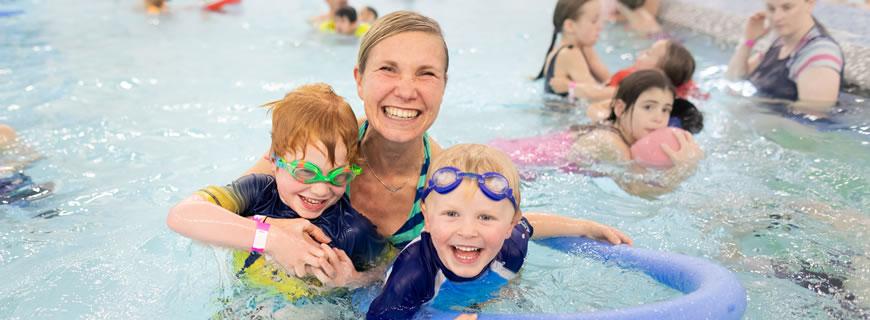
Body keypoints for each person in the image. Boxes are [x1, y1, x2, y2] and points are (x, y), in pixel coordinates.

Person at [243, 11, 632, 280]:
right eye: (388, 69)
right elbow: (212, 212)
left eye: (426, 74)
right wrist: (271, 236)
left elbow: (503, 222)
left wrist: (581, 226)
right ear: (359, 80)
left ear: (444, 86)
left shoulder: (448, 177)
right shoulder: (318, 147)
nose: (407, 90)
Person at [166, 84, 386, 300]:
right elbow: (182, 215)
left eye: (338, 176)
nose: (321, 190)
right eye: (306, 173)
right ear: (274, 161)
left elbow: (386, 272)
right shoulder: (257, 191)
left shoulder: (351, 232)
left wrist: (353, 280)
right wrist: (272, 238)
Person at [367, 144, 633, 319]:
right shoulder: (413, 274)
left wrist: (584, 228)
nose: (468, 231)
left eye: (485, 217)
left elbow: (533, 225)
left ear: (509, 225)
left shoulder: (512, 244)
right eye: (451, 214)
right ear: (426, 217)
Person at [492, 70, 704, 198]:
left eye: (666, 109)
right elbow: (638, 190)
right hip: (512, 167)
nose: (659, 118)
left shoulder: (609, 122)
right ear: (620, 109)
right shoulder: (610, 142)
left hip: (516, 153)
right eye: (649, 107)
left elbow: (603, 107)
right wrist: (683, 170)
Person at [726, 0, 844, 115]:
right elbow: (734, 77)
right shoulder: (780, 41)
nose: (777, 17)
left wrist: (748, 114)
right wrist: (748, 41)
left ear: (810, 3)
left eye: (787, 7)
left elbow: (812, 125)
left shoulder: (819, 54)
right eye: (771, 9)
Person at [584, 39, 704, 122]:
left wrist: (572, 86)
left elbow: (592, 96)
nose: (641, 53)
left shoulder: (632, 91)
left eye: (648, 53)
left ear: (657, 73)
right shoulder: (675, 101)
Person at [536, 0, 615, 101]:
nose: (600, 26)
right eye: (594, 21)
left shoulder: (584, 48)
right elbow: (596, 96)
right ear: (570, 26)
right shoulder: (569, 53)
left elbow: (610, 81)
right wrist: (572, 87)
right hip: (562, 116)